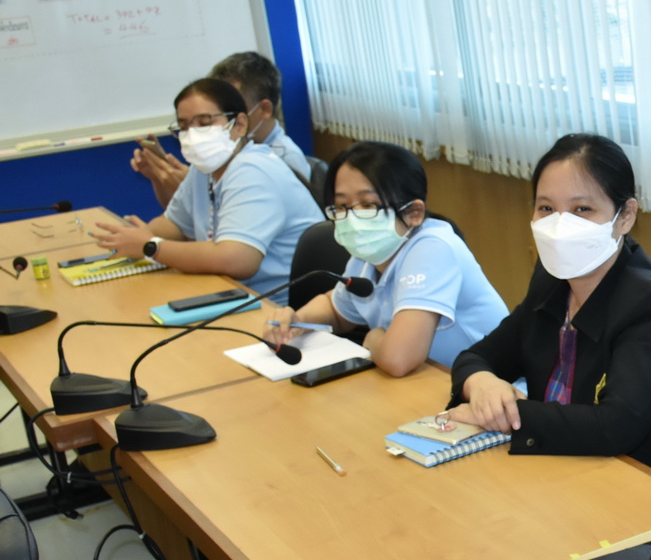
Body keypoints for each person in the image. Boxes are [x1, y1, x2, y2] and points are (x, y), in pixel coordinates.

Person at [447, 133, 651, 501]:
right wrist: (481, 384)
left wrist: (506, 415)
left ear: (625, 217)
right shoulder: (551, 280)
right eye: (546, 208)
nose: (560, 226)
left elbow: (615, 427)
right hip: (567, 475)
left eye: (582, 209)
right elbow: (476, 356)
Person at [261, 141, 508, 375]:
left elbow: (398, 359)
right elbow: (337, 310)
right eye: (342, 206)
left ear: (414, 212)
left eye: (368, 205)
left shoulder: (434, 249)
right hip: (428, 382)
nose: (352, 218)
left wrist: (374, 338)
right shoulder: (368, 256)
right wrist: (298, 320)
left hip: (489, 388)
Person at [92, 78, 321, 295]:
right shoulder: (203, 170)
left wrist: (151, 246)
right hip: (234, 292)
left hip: (284, 304)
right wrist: (135, 236)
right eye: (184, 126)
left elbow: (238, 260)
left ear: (240, 125)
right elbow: (174, 225)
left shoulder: (253, 170)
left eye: (204, 123)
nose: (193, 135)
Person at [132, 50, 310, 207]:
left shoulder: (284, 159)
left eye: (205, 122)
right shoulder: (218, 151)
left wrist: (193, 191)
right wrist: (160, 176)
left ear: (264, 109)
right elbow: (182, 223)